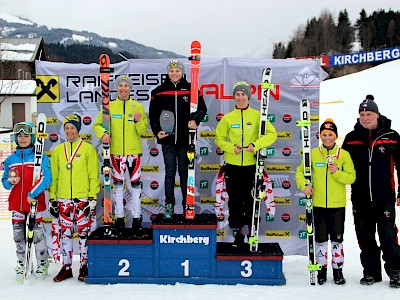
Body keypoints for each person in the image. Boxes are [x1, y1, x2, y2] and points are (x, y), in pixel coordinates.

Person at [342, 95, 400, 288]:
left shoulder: (391, 136)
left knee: (388, 235)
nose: (365, 118)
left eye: (369, 114)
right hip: (360, 197)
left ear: (377, 114)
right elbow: (342, 165)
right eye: (362, 114)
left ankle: (395, 271)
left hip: (384, 196)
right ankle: (371, 272)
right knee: (364, 236)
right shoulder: (351, 139)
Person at [215, 81, 277, 248]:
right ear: (234, 97)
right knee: (235, 200)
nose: (240, 97)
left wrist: (255, 145)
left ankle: (251, 231)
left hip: (252, 166)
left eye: (243, 94)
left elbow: (272, 134)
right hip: (233, 166)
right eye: (237, 94)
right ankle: (237, 233)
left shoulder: (258, 116)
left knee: (251, 199)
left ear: (248, 96)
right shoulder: (228, 118)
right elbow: (219, 139)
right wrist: (230, 147)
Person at [295, 118, 356, 285]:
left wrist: (337, 172)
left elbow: (352, 177)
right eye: (324, 134)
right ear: (320, 136)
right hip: (318, 204)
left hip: (337, 205)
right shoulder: (313, 154)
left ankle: (338, 271)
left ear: (335, 136)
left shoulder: (343, 155)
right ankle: (321, 271)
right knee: (320, 240)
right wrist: (304, 186)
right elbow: (300, 172)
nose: (327, 138)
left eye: (330, 134)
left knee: (337, 240)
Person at [149, 60, 207, 218]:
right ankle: (169, 205)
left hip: (185, 139)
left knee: (184, 173)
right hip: (167, 139)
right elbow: (153, 116)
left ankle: (187, 205)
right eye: (172, 71)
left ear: (182, 72)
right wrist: (157, 131)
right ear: (168, 72)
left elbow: (202, 108)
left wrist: (195, 120)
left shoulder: (191, 89)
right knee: (169, 172)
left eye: (177, 71)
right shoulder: (158, 92)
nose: (174, 73)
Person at [93, 75, 148, 236]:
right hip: (116, 154)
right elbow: (97, 125)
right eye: (120, 86)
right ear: (117, 88)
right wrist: (103, 133)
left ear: (130, 89)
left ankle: (137, 220)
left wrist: (139, 122)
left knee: (136, 188)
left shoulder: (137, 107)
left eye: (126, 86)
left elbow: (143, 130)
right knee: (117, 188)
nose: (123, 88)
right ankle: (119, 219)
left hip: (133, 154)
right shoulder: (109, 107)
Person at [49, 114, 100, 282]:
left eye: (73, 127)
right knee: (66, 234)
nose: (70, 131)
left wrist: (92, 197)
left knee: (84, 233)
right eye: (67, 128)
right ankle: (67, 266)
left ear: (78, 129)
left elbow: (94, 174)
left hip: (83, 198)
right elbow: (54, 176)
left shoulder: (88, 149)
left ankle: (84, 265)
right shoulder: (57, 150)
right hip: (63, 198)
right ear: (64, 130)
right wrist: (52, 198)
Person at [1, 121, 52, 282]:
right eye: (20, 136)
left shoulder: (39, 156)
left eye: (26, 136)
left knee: (37, 234)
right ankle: (22, 263)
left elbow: (47, 178)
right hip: (17, 202)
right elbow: (5, 182)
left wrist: (33, 193)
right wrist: (10, 182)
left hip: (34, 202)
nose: (23, 139)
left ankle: (42, 262)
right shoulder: (10, 159)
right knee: (18, 235)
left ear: (32, 137)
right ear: (16, 138)